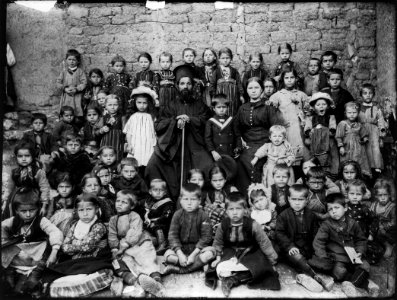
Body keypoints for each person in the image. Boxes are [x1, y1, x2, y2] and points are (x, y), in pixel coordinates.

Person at [145, 65, 213, 199]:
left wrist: (191, 120)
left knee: (209, 166)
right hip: (173, 146)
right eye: (182, 83)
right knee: (153, 165)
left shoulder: (200, 105)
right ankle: (164, 198)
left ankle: (203, 199)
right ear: (177, 86)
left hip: (195, 145)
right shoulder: (170, 105)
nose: (185, 86)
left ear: (193, 85)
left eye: (188, 83)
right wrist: (174, 122)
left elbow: (207, 121)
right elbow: (159, 125)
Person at [209, 192, 280, 297]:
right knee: (220, 269)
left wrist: (272, 261)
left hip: (250, 252)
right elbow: (218, 242)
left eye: (238, 209)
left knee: (263, 268)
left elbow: (264, 242)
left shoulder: (253, 225)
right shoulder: (223, 225)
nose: (235, 213)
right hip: (231, 252)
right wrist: (217, 258)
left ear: (245, 209)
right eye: (231, 209)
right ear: (226, 211)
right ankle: (236, 275)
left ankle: (233, 279)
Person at [43, 193, 113, 292]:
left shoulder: (98, 226)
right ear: (76, 211)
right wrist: (79, 244)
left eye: (89, 209)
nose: (85, 214)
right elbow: (65, 246)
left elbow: (87, 247)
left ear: (96, 209)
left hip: (95, 259)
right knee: (55, 271)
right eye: (81, 210)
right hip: (78, 259)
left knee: (95, 274)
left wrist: (74, 243)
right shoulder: (76, 225)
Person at [1, 188, 63, 297]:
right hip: (19, 260)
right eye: (23, 211)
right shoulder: (12, 221)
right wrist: (6, 242)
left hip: (36, 258)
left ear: (38, 208)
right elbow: (2, 228)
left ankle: (34, 278)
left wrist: (55, 251)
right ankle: (9, 277)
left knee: (29, 285)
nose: (28, 214)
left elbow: (55, 232)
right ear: (16, 210)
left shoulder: (41, 221)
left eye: (32, 210)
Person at [308, 193, 371, 297]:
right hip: (337, 257)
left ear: (345, 208)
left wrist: (359, 252)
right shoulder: (327, 225)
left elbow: (361, 240)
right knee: (339, 272)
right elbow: (318, 242)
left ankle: (352, 284)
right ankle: (355, 281)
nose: (333, 211)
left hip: (352, 255)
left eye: (337, 207)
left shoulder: (353, 223)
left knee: (365, 266)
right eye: (330, 209)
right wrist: (323, 257)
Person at [275, 184, 334, 292]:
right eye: (294, 199)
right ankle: (316, 277)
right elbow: (280, 233)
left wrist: (317, 249)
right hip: (290, 248)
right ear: (288, 199)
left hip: (307, 247)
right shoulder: (283, 215)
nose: (297, 202)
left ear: (306, 200)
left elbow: (316, 233)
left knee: (324, 261)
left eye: (301, 199)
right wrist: (289, 247)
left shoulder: (311, 215)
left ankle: (304, 274)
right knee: (296, 257)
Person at [234, 77, 284, 193]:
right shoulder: (242, 108)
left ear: (262, 90)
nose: (253, 90)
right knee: (241, 161)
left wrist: (272, 145)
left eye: (256, 87)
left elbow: (276, 128)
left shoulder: (268, 107)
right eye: (250, 88)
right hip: (248, 145)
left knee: (261, 163)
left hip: (265, 144)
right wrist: (240, 140)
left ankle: (262, 196)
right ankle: (247, 197)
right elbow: (236, 128)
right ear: (246, 90)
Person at [109, 190, 163, 293]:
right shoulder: (113, 219)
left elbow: (134, 231)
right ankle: (133, 279)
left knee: (146, 258)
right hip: (123, 247)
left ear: (132, 206)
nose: (119, 204)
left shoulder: (135, 216)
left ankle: (155, 279)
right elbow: (112, 235)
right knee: (118, 262)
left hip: (139, 243)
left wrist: (125, 244)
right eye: (118, 201)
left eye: (124, 202)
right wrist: (114, 248)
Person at [162, 183, 215, 275]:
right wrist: (180, 254)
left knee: (210, 254)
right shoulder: (177, 215)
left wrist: (193, 255)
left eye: (193, 199)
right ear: (180, 200)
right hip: (180, 249)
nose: (189, 203)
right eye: (186, 199)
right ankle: (196, 265)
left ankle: (180, 269)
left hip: (198, 250)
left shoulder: (203, 215)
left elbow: (206, 237)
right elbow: (172, 236)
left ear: (199, 201)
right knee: (168, 256)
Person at [268, 68, 309, 174]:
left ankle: (300, 177)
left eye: (292, 77)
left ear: (296, 79)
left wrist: (304, 120)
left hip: (299, 129)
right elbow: (270, 111)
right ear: (283, 80)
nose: (289, 80)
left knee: (301, 154)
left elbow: (308, 110)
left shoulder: (301, 95)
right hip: (286, 129)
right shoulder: (278, 95)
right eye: (286, 78)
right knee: (286, 153)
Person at [2, 141, 50, 220]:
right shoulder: (15, 172)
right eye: (20, 156)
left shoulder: (38, 172)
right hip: (17, 197)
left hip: (33, 198)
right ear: (16, 157)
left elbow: (45, 188)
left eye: (27, 156)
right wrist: (5, 202)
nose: (23, 159)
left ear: (33, 156)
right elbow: (9, 188)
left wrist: (44, 205)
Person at [123, 86, 158, 177]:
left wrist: (155, 145)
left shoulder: (152, 117)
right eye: (139, 102)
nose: (141, 105)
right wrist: (130, 144)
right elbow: (129, 133)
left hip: (148, 145)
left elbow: (155, 133)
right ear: (135, 103)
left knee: (148, 165)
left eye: (144, 103)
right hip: (136, 145)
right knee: (135, 165)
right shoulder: (133, 117)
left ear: (149, 103)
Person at [304, 92, 339, 179]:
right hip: (316, 142)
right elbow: (307, 129)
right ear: (314, 107)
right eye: (318, 104)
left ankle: (332, 175)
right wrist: (311, 132)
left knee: (332, 157)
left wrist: (324, 130)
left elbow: (332, 128)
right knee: (315, 158)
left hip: (328, 141)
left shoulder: (331, 117)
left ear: (327, 106)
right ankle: (316, 175)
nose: (321, 106)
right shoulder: (310, 118)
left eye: (324, 104)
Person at [336, 102, 372, 178]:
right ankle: (347, 176)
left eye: (354, 112)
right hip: (347, 147)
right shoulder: (342, 124)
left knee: (359, 160)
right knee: (347, 161)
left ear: (358, 113)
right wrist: (341, 147)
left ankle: (358, 176)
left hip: (358, 148)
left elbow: (364, 134)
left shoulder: (359, 125)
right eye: (349, 113)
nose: (352, 114)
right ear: (345, 113)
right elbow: (339, 137)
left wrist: (365, 139)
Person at [358, 83, 386, 175]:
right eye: (365, 93)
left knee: (375, 148)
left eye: (370, 93)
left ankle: (376, 168)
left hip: (374, 131)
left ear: (373, 94)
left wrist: (382, 129)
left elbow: (380, 119)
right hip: (362, 130)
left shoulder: (376, 107)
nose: (368, 95)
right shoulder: (358, 107)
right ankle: (365, 168)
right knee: (364, 149)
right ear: (361, 95)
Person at [210, 47, 245, 116]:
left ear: (231, 59)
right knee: (221, 109)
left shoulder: (234, 71)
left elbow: (239, 83)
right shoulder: (216, 71)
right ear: (219, 59)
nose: (225, 60)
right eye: (223, 58)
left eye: (227, 58)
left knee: (232, 110)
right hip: (220, 95)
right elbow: (212, 85)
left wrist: (241, 95)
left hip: (233, 96)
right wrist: (213, 96)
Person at [143, 179, 174, 254]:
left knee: (157, 226)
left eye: (161, 190)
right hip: (150, 222)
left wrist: (156, 221)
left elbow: (167, 216)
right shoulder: (149, 201)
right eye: (155, 190)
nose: (158, 192)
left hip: (163, 223)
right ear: (150, 191)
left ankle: (163, 244)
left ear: (165, 192)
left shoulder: (167, 203)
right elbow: (146, 211)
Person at [203, 166, 238, 235]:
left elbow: (239, 205)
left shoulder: (231, 190)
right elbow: (207, 209)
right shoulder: (209, 194)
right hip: (216, 222)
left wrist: (226, 205)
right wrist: (213, 206)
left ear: (225, 180)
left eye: (220, 180)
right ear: (210, 181)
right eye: (215, 181)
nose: (218, 183)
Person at [56, 49, 87, 123]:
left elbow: (84, 83)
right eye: (69, 59)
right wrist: (64, 89)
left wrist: (77, 89)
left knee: (76, 110)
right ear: (66, 60)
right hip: (66, 96)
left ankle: (76, 123)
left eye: (74, 60)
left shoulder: (80, 71)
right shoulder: (64, 72)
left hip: (77, 96)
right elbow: (58, 82)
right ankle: (65, 123)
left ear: (78, 61)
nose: (71, 61)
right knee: (66, 110)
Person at [205, 94, 238, 161]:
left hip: (230, 153)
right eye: (218, 107)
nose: (221, 109)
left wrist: (238, 148)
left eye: (224, 107)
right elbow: (208, 139)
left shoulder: (231, 120)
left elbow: (237, 135)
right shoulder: (210, 121)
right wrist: (213, 152)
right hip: (217, 154)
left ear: (227, 108)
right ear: (214, 108)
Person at [369, 179, 396, 258]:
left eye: (385, 195)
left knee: (381, 233)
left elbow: (394, 222)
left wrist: (384, 226)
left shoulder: (392, 207)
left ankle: (389, 245)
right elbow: (371, 217)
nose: (383, 198)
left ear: (389, 195)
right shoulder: (374, 205)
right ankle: (375, 243)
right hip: (375, 228)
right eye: (380, 195)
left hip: (388, 231)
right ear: (376, 196)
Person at [99, 94, 125, 162]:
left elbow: (125, 131)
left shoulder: (122, 117)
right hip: (106, 141)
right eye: (110, 105)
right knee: (105, 158)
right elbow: (96, 132)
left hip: (118, 142)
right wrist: (102, 130)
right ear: (105, 105)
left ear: (119, 105)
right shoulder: (103, 118)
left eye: (115, 105)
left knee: (117, 158)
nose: (112, 107)